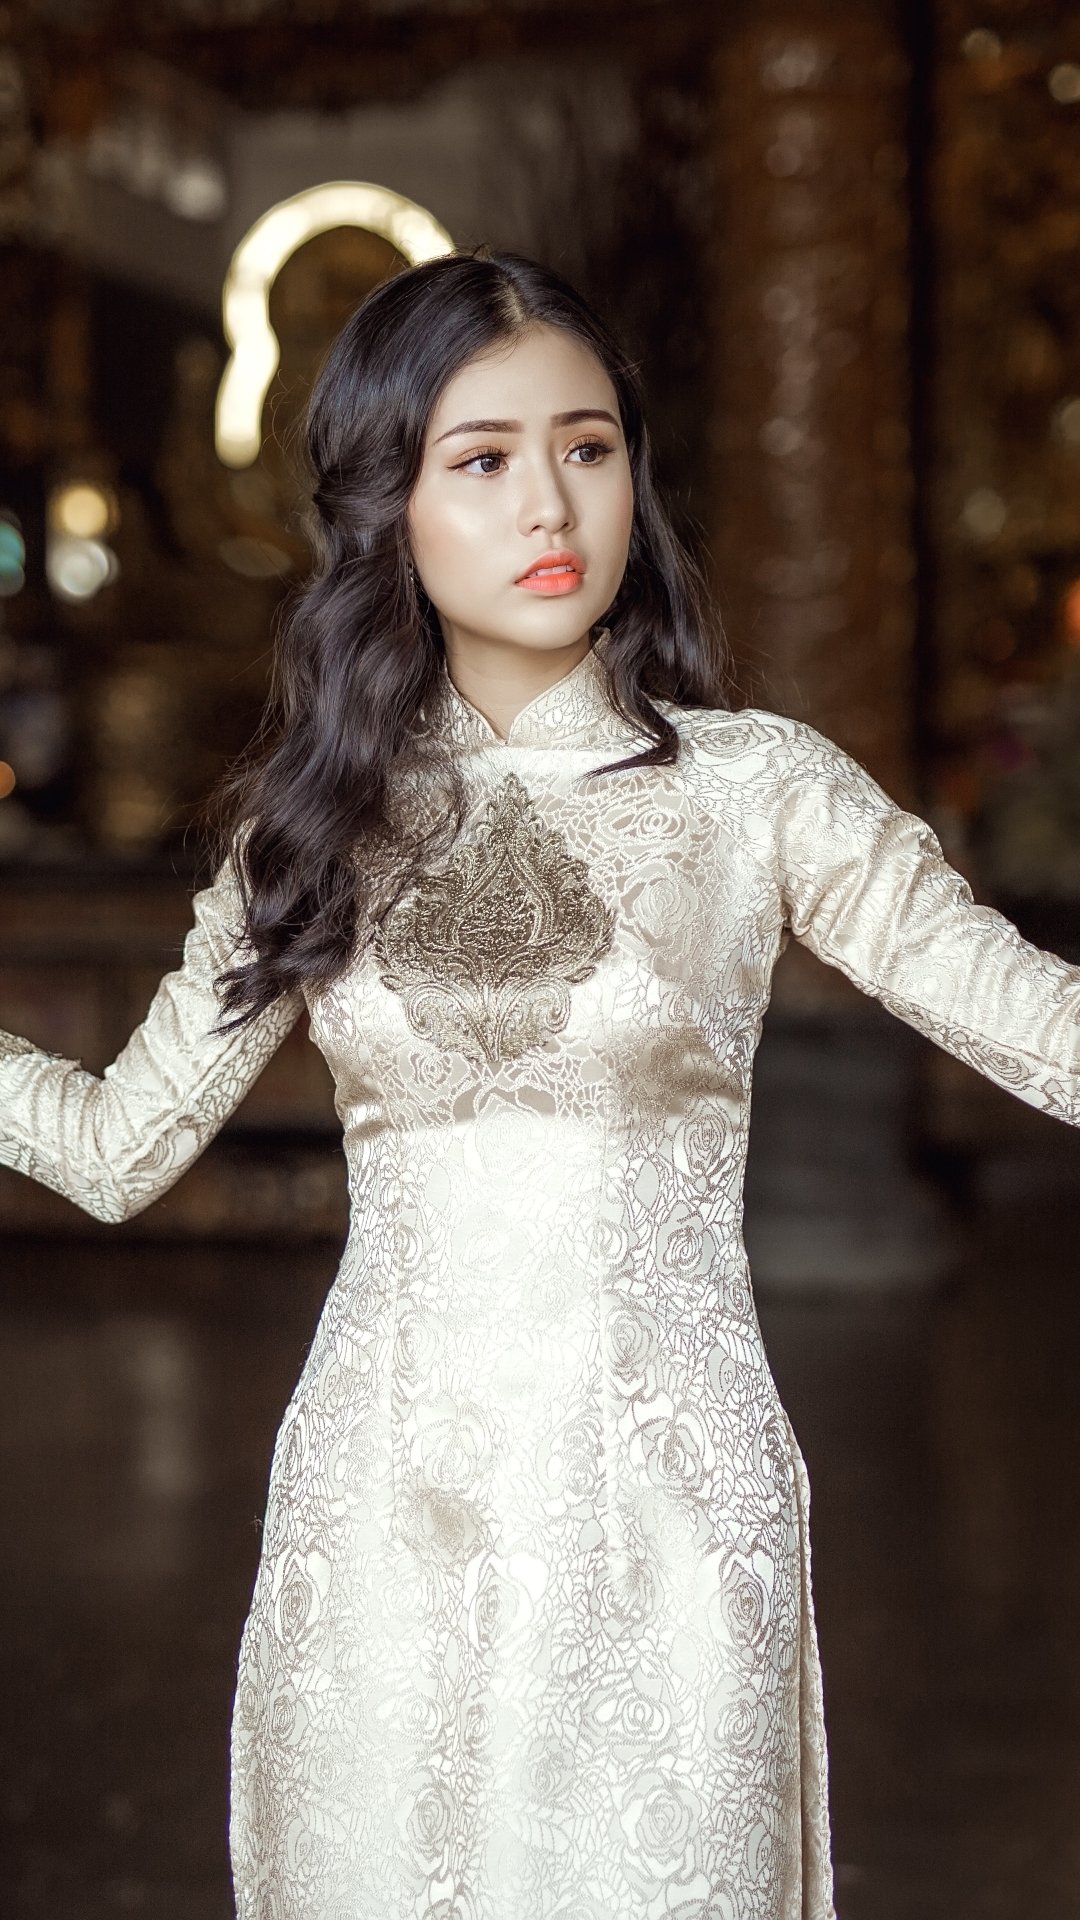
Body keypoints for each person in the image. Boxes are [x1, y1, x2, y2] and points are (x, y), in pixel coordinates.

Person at [2, 247, 1079, 1920]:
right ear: (389, 511)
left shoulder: (757, 795)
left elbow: (1040, 1028)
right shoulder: (312, 832)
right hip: (383, 1514)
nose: (551, 500)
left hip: (669, 1510)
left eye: (587, 445)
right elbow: (116, 1150)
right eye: (482, 459)